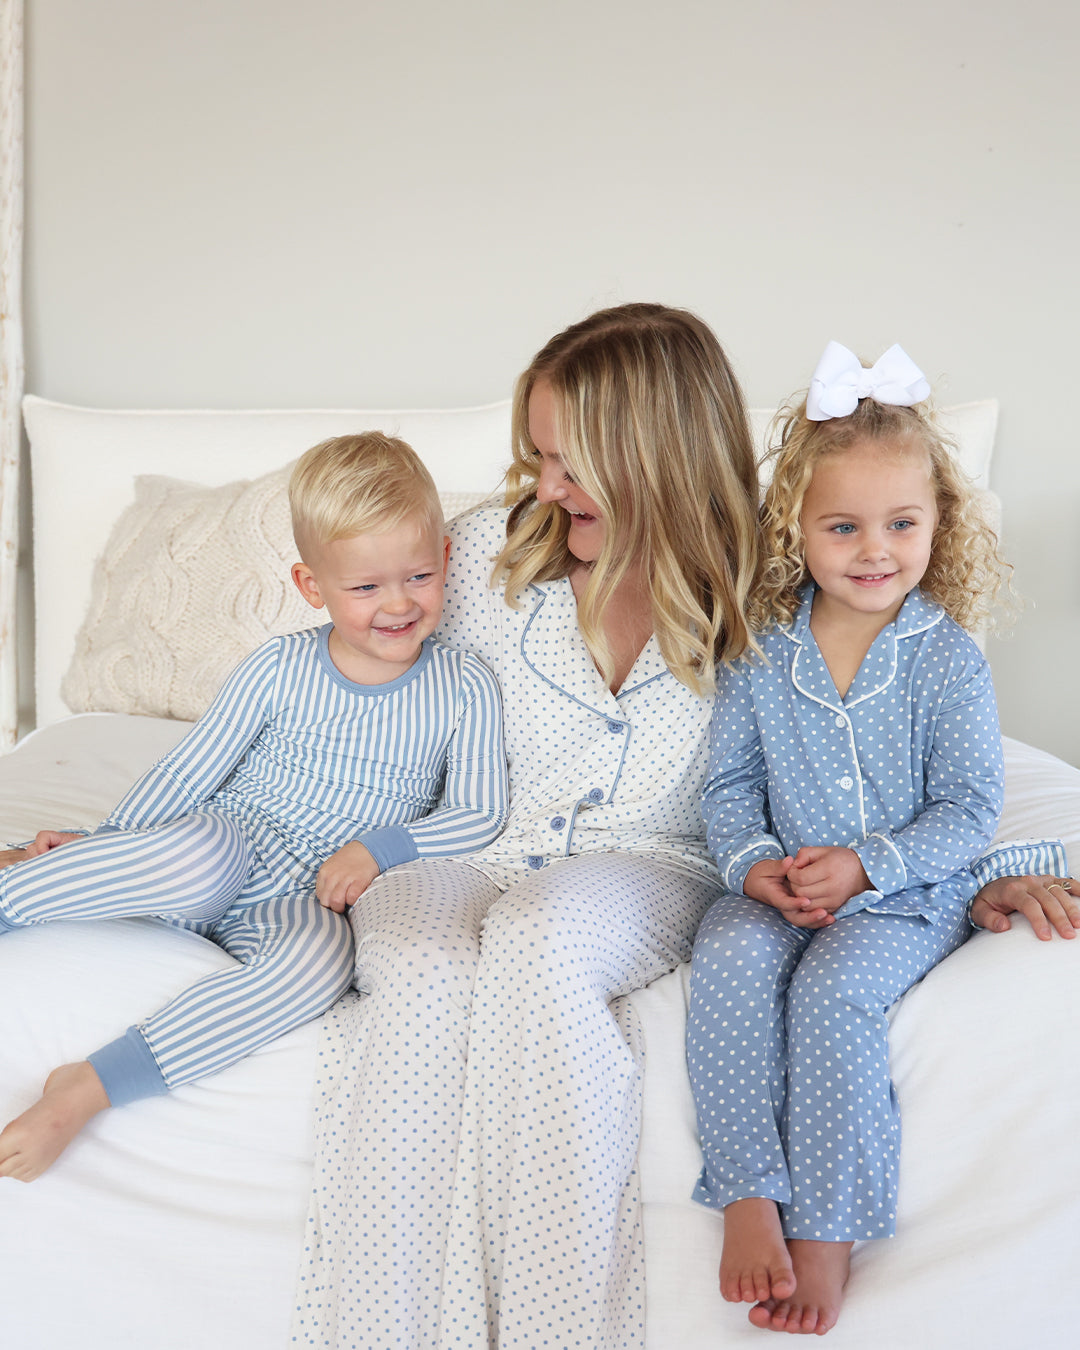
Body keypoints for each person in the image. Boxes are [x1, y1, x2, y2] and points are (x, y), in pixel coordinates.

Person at [292, 309, 1072, 1350]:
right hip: (473, 842)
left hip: (646, 864)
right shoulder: (481, 554)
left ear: (648, 452)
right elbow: (342, 703)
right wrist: (187, 836)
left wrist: (999, 870)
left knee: (544, 938)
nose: (548, 486)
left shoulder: (777, 580)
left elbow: (889, 751)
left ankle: (551, 1333)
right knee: (414, 958)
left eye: (571, 463)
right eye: (540, 457)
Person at [684, 341, 1072, 1337]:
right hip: (778, 889)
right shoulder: (765, 652)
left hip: (903, 898)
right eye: (844, 526)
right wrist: (752, 866)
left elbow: (968, 808)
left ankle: (828, 1233)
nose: (875, 549)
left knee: (834, 990)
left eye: (902, 524)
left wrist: (869, 864)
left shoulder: (945, 661)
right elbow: (726, 783)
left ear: (939, 526)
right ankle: (747, 1197)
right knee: (724, 952)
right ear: (797, 535)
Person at [0, 431, 507, 1183]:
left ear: (446, 556)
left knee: (323, 964)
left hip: (306, 893)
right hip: (228, 845)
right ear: (312, 587)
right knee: (195, 849)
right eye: (365, 588)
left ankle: (89, 1086)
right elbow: (187, 772)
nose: (397, 604)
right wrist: (101, 843)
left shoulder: (464, 683)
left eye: (419, 575)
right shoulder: (279, 666)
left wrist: (379, 849)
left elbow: (479, 811)